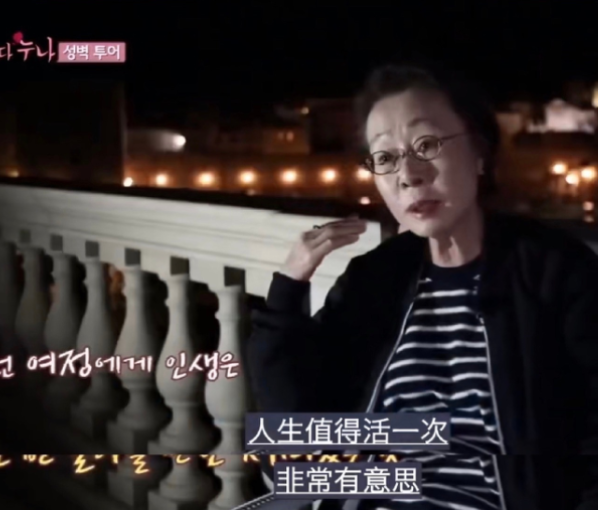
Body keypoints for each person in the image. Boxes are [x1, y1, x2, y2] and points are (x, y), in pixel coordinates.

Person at [243, 63, 598, 510]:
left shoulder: (554, 273)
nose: (408, 175)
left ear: (480, 152)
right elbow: (290, 451)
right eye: (385, 158)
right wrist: (286, 292)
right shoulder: (377, 280)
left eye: (426, 145)